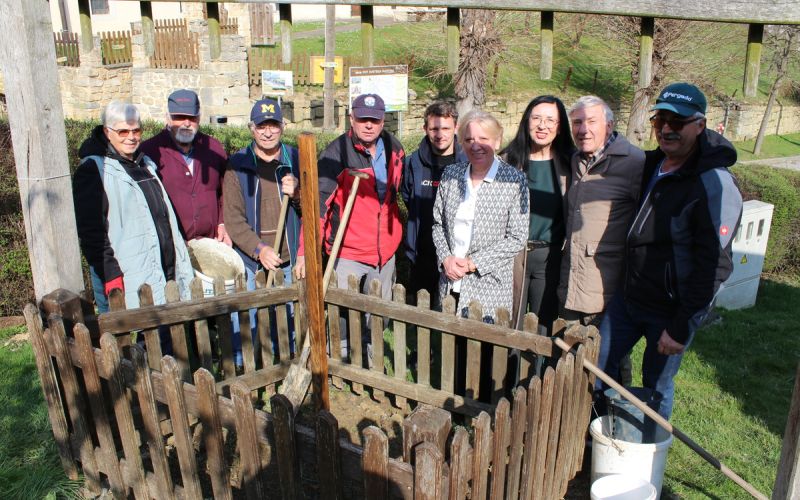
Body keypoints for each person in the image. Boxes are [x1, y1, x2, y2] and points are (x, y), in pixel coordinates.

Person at [596, 83, 743, 420]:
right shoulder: (654, 164)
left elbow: (715, 267)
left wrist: (681, 327)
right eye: (659, 120)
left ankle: (651, 446)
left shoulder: (714, 183)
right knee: (599, 366)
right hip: (629, 299)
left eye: (676, 122)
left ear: (700, 125)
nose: (665, 130)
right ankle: (602, 436)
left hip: (669, 310)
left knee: (656, 385)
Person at [73, 101, 194, 315]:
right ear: (107, 132)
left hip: (162, 269)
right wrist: (110, 273)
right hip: (128, 274)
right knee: (134, 330)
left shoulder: (145, 164)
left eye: (136, 130)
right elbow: (91, 233)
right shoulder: (94, 170)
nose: (131, 137)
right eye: (123, 131)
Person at [296, 93, 404, 303]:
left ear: (383, 121)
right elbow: (317, 207)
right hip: (347, 254)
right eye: (363, 119)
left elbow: (396, 195)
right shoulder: (336, 153)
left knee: (379, 315)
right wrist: (306, 250)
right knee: (343, 316)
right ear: (351, 119)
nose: (369, 125)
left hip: (385, 253)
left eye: (374, 120)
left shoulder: (395, 148)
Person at [432, 109, 528, 322]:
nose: (475, 146)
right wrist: (446, 258)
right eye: (468, 140)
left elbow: (517, 237)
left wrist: (473, 263)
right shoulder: (450, 174)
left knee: (484, 342)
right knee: (451, 341)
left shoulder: (514, 180)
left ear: (497, 141)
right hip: (450, 281)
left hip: (488, 285)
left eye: (483, 139)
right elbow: (438, 224)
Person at [224, 98, 300, 361]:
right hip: (252, 260)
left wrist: (298, 193)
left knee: (286, 322)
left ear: (283, 127)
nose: (268, 132)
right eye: (261, 126)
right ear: (251, 129)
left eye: (273, 125)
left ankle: (284, 366)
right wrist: (259, 249)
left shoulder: (296, 158)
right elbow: (233, 219)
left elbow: (313, 210)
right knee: (246, 321)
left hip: (287, 259)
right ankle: (243, 369)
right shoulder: (238, 164)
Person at [559, 96, 645, 328]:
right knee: (565, 346)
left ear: (609, 125)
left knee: (601, 350)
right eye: (577, 122)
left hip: (606, 290)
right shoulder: (576, 160)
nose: (583, 130)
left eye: (591, 122)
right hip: (571, 283)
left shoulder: (635, 163)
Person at [500, 96, 574, 332]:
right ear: (526, 121)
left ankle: (537, 359)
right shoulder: (507, 162)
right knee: (510, 322)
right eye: (537, 118)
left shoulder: (570, 165)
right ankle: (510, 359)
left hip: (549, 257)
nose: (542, 126)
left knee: (544, 324)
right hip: (512, 256)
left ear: (560, 127)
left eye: (550, 120)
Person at [140, 89, 230, 245]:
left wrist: (223, 222)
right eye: (180, 117)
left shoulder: (214, 149)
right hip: (171, 246)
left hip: (212, 243)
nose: (187, 123)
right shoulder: (150, 151)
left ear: (199, 118)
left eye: (192, 118)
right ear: (168, 118)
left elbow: (227, 191)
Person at [401, 101, 467, 304]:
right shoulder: (413, 163)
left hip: (457, 255)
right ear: (425, 129)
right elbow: (407, 196)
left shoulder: (468, 163)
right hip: (422, 252)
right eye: (434, 129)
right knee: (422, 310)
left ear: (456, 128)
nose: (440, 135)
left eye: (446, 128)